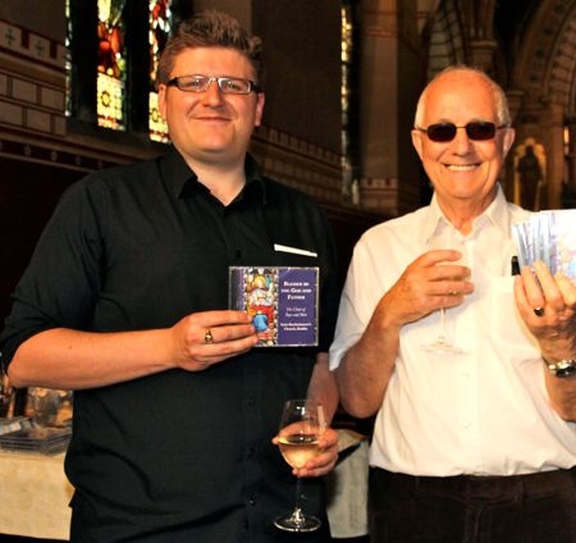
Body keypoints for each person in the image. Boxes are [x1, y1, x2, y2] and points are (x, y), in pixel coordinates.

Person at [0, 10, 340, 543]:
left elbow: (316, 362)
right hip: (141, 527)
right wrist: (168, 347)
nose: (213, 98)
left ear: (258, 107)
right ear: (163, 99)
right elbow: (24, 356)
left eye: (233, 85)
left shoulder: (304, 218)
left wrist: (316, 424)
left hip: (282, 520)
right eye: (194, 83)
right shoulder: (100, 204)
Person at [329, 65, 576, 543]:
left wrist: (558, 340)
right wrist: (390, 312)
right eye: (442, 131)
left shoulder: (557, 244)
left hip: (536, 507)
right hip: (411, 506)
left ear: (505, 140)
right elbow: (357, 401)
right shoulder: (378, 247)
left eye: (480, 129)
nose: (461, 146)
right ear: (420, 144)